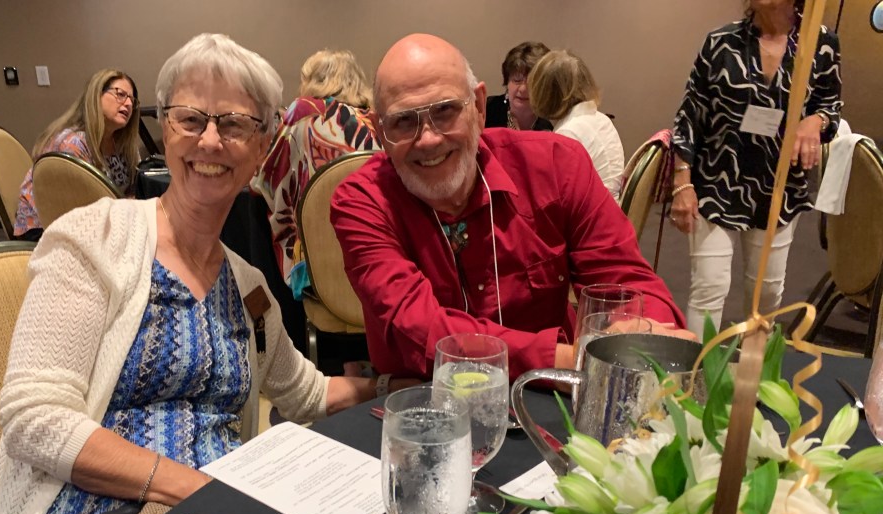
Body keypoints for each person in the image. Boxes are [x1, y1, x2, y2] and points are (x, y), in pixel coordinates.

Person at [0, 34, 409, 514]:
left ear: (263, 146)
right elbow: (34, 419)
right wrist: (192, 488)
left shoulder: (250, 288)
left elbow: (307, 394)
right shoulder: (95, 238)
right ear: (165, 128)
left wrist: (397, 384)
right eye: (190, 118)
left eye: (233, 124)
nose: (210, 140)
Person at [330, 34, 687, 381]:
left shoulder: (556, 165)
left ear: (479, 107)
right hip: (425, 398)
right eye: (404, 121)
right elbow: (419, 330)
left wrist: (645, 337)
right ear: (380, 130)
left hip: (552, 398)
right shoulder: (361, 201)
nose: (428, 139)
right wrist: (573, 358)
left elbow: (630, 287)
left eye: (445, 110)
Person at [670, 0, 842, 332]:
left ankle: (755, 363)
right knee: (708, 287)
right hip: (717, 181)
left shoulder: (821, 43)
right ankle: (697, 366)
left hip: (778, 187)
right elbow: (689, 117)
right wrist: (682, 183)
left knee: (767, 295)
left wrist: (816, 120)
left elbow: (830, 104)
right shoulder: (721, 42)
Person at [252, 49, 381, 298]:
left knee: (257, 204)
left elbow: (269, 175)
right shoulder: (376, 120)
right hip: (373, 248)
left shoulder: (304, 110)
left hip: (320, 256)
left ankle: (273, 304)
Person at [13, 68, 142, 239]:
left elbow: (132, 190)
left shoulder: (123, 145)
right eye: (120, 94)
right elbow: (79, 210)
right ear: (96, 94)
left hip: (95, 224)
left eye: (132, 100)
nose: (128, 104)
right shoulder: (71, 143)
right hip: (45, 231)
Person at [527, 50, 625, 198]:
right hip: (611, 205)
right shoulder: (601, 120)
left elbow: (556, 195)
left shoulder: (569, 133)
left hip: (591, 210)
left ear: (546, 93)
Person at [484, 41, 553, 132]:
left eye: (531, 83)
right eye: (517, 80)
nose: (523, 89)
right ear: (507, 81)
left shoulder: (548, 126)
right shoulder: (486, 110)